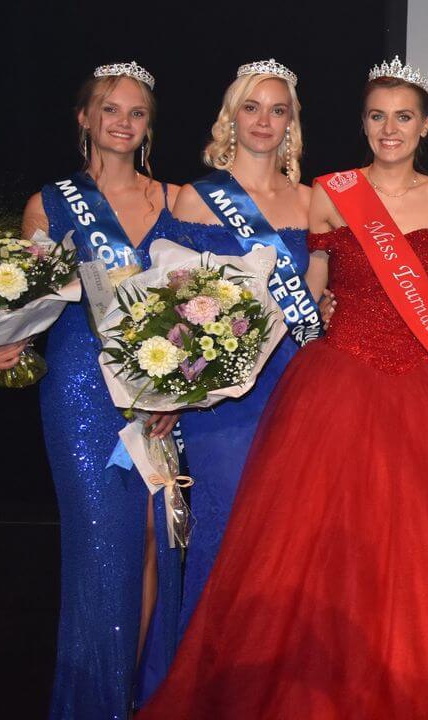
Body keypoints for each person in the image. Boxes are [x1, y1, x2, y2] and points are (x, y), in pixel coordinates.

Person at [138, 59, 428, 719]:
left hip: (420, 380)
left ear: (425, 124)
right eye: (377, 116)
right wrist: (238, 342)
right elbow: (311, 287)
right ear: (362, 122)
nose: (390, 129)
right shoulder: (329, 191)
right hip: (336, 379)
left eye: (404, 117)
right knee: (317, 545)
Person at [0, 61, 183, 718]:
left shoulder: (175, 199)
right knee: (101, 547)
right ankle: (98, 702)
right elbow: (18, 310)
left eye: (136, 112)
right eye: (110, 109)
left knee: (156, 541)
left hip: (159, 393)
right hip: (83, 391)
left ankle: (142, 694)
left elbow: (193, 301)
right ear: (85, 118)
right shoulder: (51, 202)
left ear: (148, 125)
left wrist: (178, 387)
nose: (123, 122)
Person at [159, 59, 323, 634]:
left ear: (291, 124)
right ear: (231, 116)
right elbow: (163, 298)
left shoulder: (312, 203)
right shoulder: (194, 200)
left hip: (294, 387)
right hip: (219, 394)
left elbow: (329, 291)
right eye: (252, 107)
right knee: (224, 524)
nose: (263, 120)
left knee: (284, 532)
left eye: (278, 110)